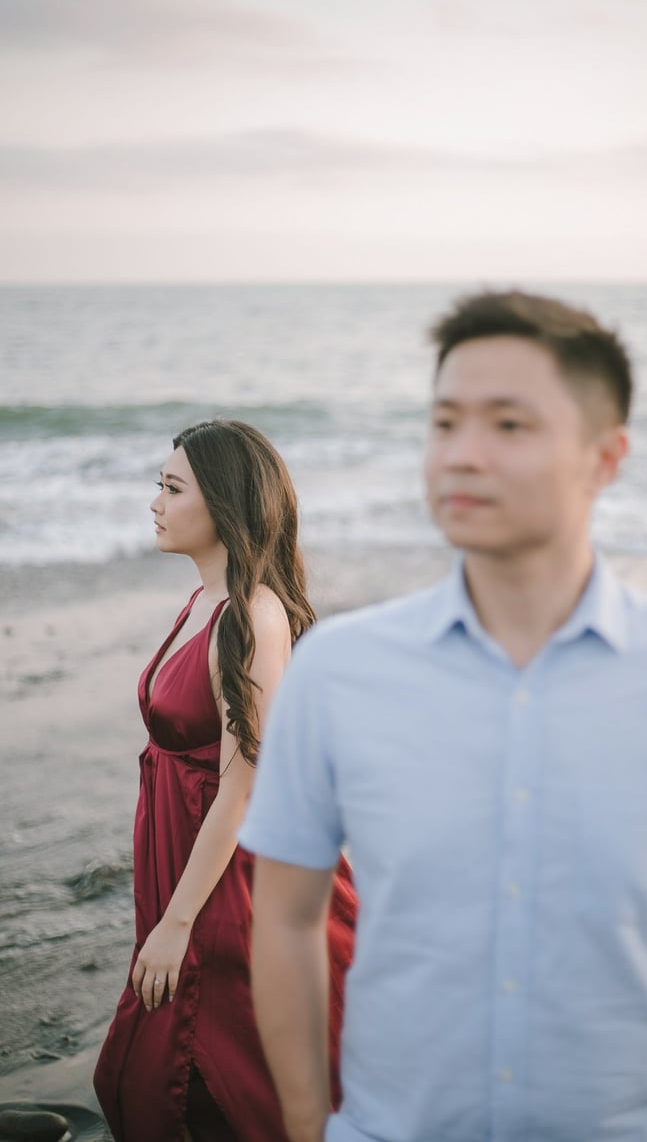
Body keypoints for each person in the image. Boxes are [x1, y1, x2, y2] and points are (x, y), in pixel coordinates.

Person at [238, 291, 647, 1142]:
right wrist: (308, 1127)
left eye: (509, 424)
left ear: (605, 457)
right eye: (445, 423)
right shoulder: (336, 669)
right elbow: (287, 914)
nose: (462, 454)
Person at [93, 420, 357, 1142]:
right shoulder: (201, 603)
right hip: (183, 856)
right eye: (159, 485)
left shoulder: (251, 617)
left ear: (224, 503)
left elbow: (245, 786)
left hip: (230, 878)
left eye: (173, 488)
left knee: (188, 1073)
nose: (155, 503)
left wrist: (178, 922)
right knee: (163, 1069)